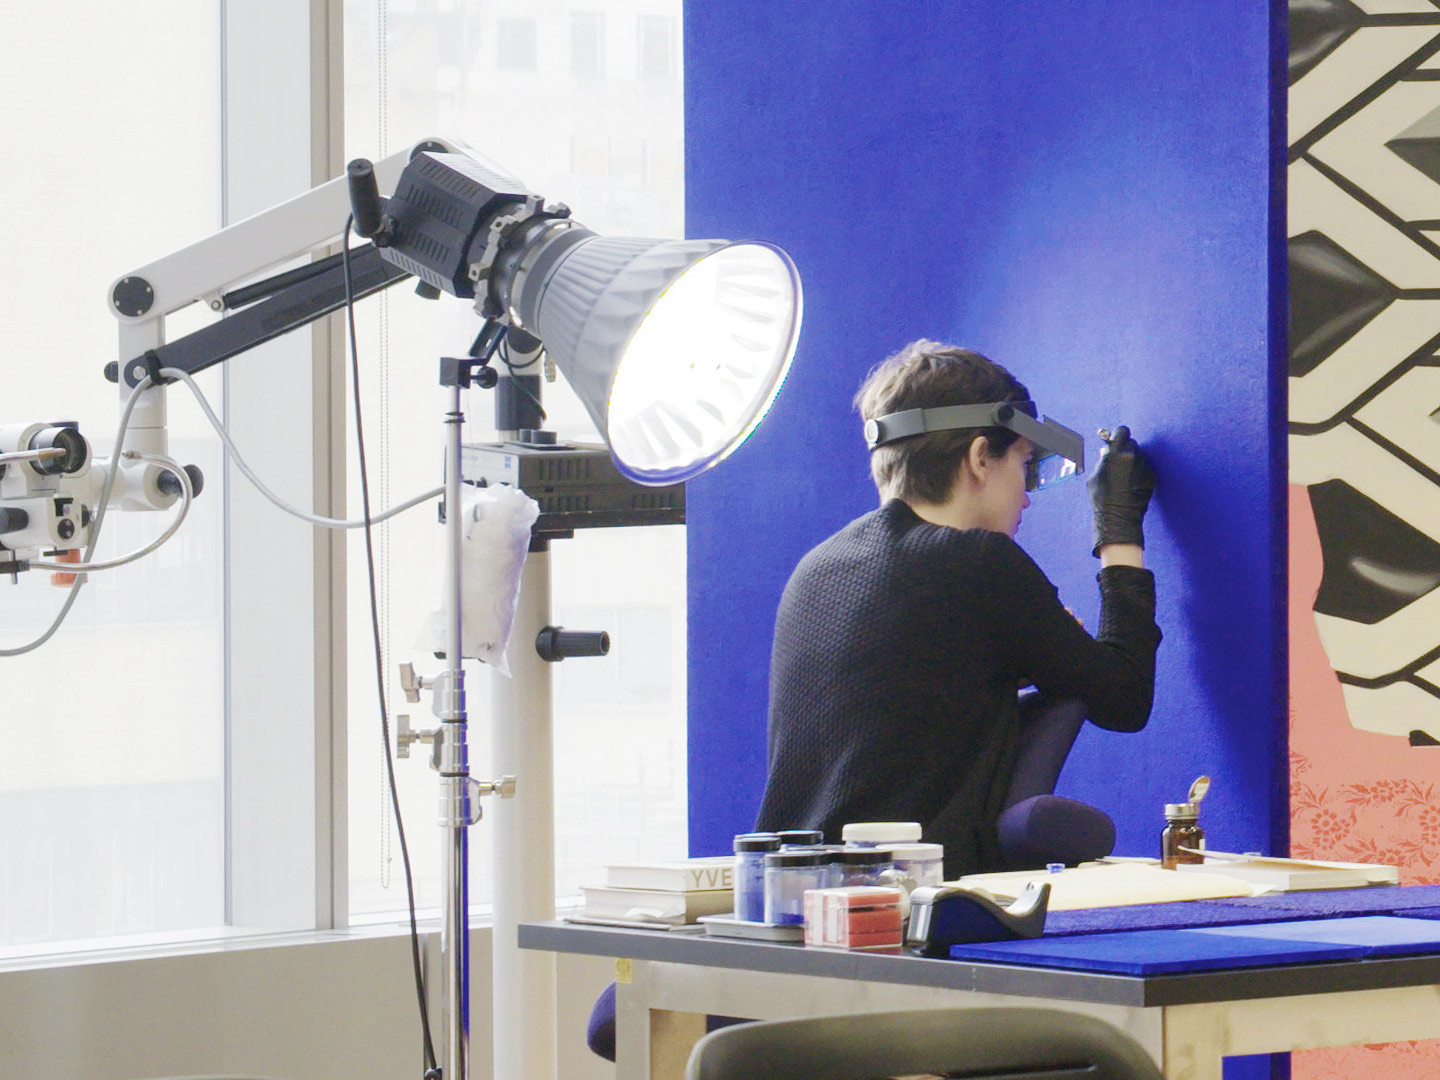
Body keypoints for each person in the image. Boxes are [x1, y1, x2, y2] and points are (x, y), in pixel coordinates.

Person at [754, 340, 1160, 879]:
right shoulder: (977, 561)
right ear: (978, 458)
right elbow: (1125, 697)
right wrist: (1118, 531)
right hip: (917, 905)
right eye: (1024, 463)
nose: (1028, 495)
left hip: (790, 900)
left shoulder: (816, 571)